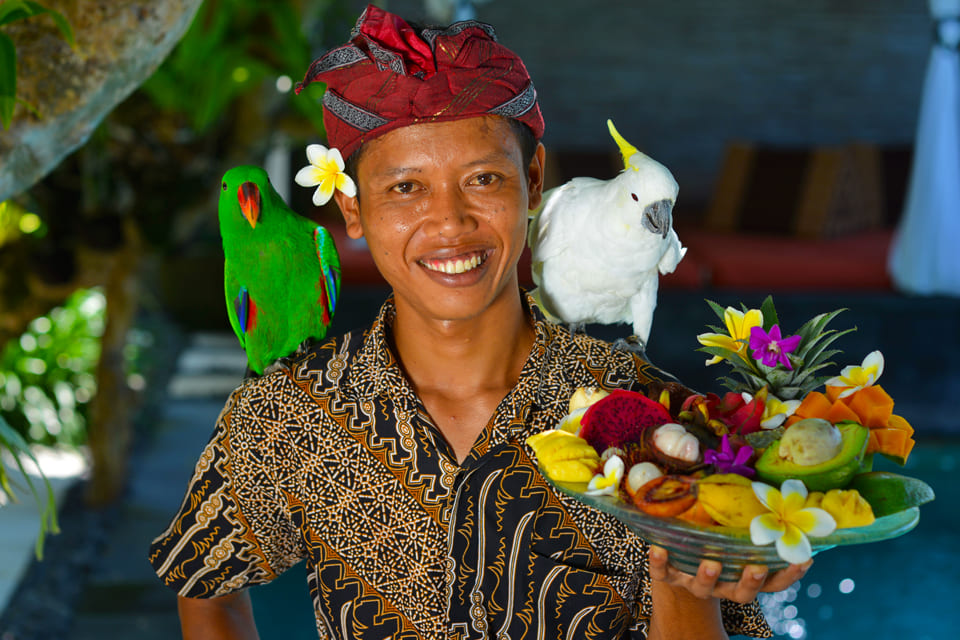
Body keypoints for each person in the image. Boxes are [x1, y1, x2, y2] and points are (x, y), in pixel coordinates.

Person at [149, 6, 810, 639]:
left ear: (534, 182)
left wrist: (685, 564)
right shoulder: (291, 413)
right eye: (405, 188)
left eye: (485, 180)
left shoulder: (650, 417)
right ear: (351, 211)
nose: (450, 223)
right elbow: (204, 585)